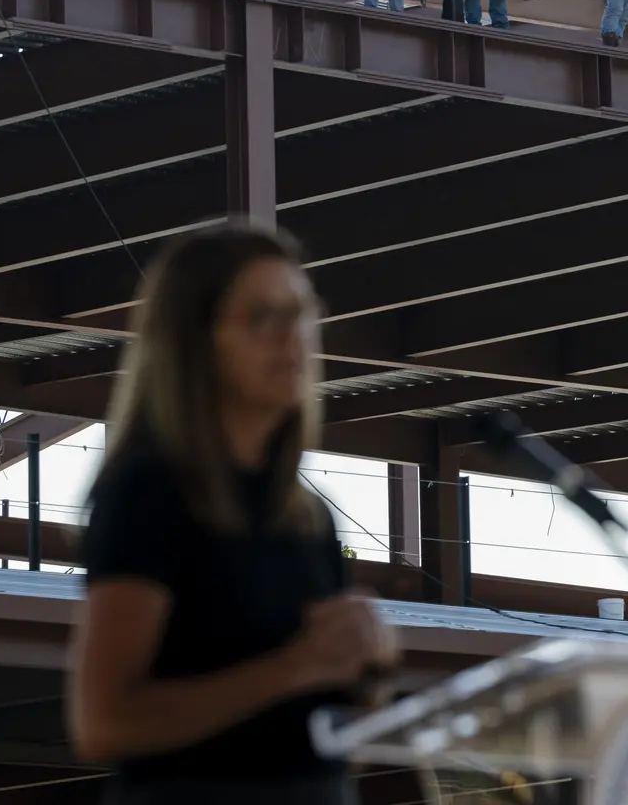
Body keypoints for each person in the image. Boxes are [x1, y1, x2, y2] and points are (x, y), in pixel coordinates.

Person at [68, 223, 399, 805]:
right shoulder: (150, 494)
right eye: (260, 317)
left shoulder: (307, 517)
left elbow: (326, 732)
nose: (291, 338)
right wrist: (296, 666)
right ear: (195, 343)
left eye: (300, 313)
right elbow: (104, 722)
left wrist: (366, 666)